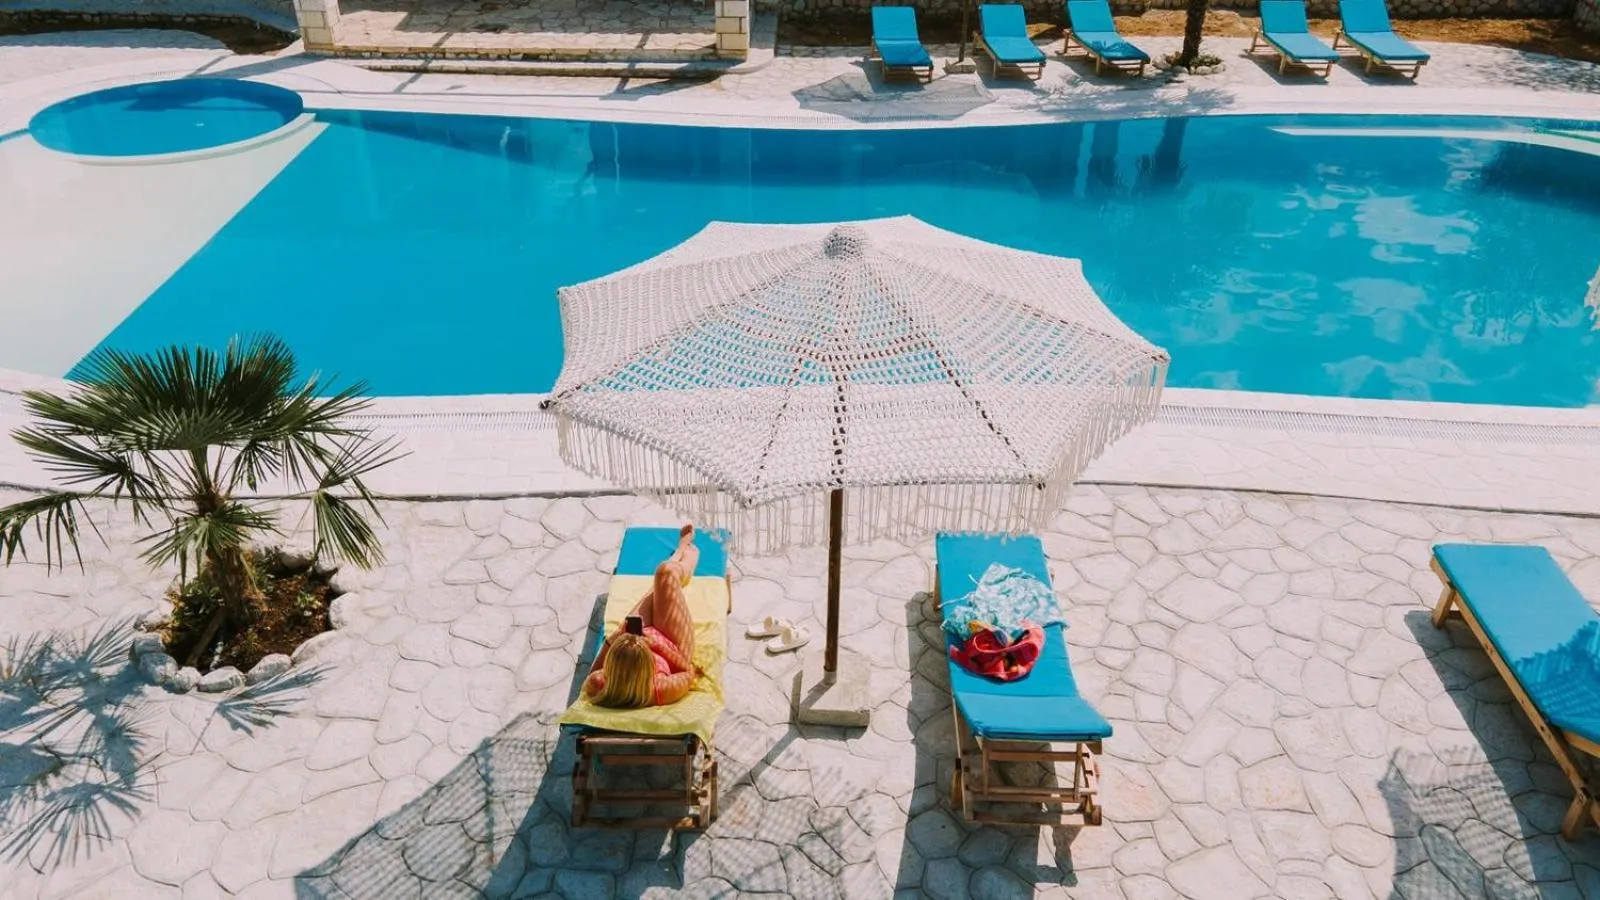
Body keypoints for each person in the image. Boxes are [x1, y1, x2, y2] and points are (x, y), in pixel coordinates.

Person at [583, 524, 702, 708]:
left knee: (657, 589)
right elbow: (688, 671)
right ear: (647, 667)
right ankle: (685, 563)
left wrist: (620, 635)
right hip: (671, 645)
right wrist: (655, 645)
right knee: (666, 573)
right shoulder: (661, 689)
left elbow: (593, 672)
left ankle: (677, 556)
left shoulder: (599, 684)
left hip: (643, 637)